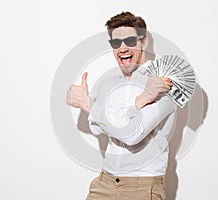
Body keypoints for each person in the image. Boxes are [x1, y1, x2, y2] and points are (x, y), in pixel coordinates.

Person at [66, 11, 177, 200]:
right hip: (105, 181)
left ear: (144, 42)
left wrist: (89, 105)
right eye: (116, 43)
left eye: (130, 41)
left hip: (142, 187)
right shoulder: (110, 83)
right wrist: (139, 101)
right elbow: (96, 127)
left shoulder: (162, 80)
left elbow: (132, 134)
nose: (123, 48)